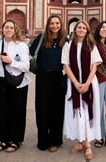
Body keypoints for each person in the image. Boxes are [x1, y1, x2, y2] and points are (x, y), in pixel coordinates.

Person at [62, 20, 102, 161]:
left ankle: (88, 144)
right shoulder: (68, 45)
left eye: (84, 28)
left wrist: (86, 84)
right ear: (74, 29)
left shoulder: (91, 45)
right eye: (79, 27)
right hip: (73, 84)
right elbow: (66, 66)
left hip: (89, 84)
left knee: (87, 113)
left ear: (87, 30)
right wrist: (76, 83)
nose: (81, 29)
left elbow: (94, 67)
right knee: (77, 113)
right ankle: (81, 141)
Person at [29, 15, 67, 152]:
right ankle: (43, 140)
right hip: (43, 77)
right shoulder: (41, 39)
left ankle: (55, 140)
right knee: (43, 109)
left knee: (57, 110)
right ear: (48, 25)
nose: (55, 26)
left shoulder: (65, 40)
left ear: (61, 25)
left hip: (59, 78)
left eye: (57, 23)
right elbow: (29, 52)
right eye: (52, 23)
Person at [0, 19, 30, 153]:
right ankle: (3, 139)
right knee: (2, 110)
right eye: (6, 27)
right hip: (1, 81)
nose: (8, 30)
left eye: (11, 27)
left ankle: (16, 140)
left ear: (15, 30)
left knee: (17, 111)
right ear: (2, 29)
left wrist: (11, 61)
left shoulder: (21, 46)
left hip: (18, 82)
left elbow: (26, 66)